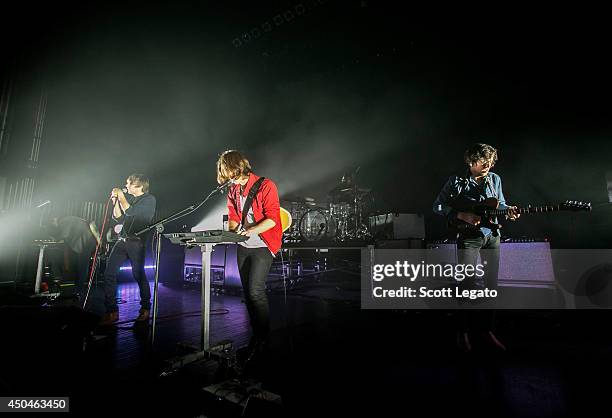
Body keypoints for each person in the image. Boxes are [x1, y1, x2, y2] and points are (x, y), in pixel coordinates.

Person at [433, 143, 519, 352]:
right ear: (471, 162)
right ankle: (462, 333)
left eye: (491, 161)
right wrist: (461, 215)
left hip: (492, 237)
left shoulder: (495, 179)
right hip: (469, 238)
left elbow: (501, 204)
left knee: (491, 285)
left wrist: (510, 211)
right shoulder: (456, 181)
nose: (488, 164)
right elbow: (438, 205)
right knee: (466, 284)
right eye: (483, 161)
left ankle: (486, 331)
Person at [217, 150, 282, 359]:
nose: (226, 176)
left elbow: (272, 218)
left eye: (227, 171)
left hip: (264, 244)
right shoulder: (233, 190)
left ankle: (263, 339)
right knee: (247, 294)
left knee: (255, 291)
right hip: (244, 245)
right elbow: (234, 216)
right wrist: (232, 230)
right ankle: (256, 338)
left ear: (237, 166)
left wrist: (250, 230)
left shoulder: (266, 185)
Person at [99, 174, 156, 326]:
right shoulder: (129, 199)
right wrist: (116, 201)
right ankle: (112, 311)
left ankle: (145, 308)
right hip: (122, 240)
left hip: (137, 242)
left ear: (138, 186)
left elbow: (130, 212)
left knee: (138, 274)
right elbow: (117, 216)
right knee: (109, 273)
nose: (126, 185)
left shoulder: (149, 200)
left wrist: (121, 195)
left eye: (128, 183)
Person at [45, 215, 100, 303]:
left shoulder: (63, 221)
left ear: (54, 219)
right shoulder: (68, 219)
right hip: (86, 241)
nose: (53, 225)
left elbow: (64, 235)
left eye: (52, 223)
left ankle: (79, 290)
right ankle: (78, 289)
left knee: (82, 266)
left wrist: (54, 239)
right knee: (81, 266)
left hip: (85, 242)